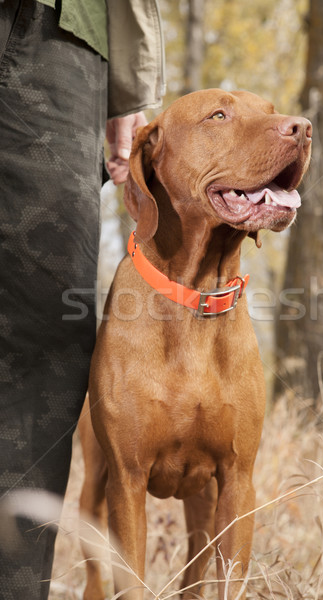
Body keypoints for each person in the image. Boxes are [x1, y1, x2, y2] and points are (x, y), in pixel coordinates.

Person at [0, 1, 165, 598]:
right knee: (38, 350)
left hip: (58, 40)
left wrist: (125, 89)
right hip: (47, 37)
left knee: (45, 340)